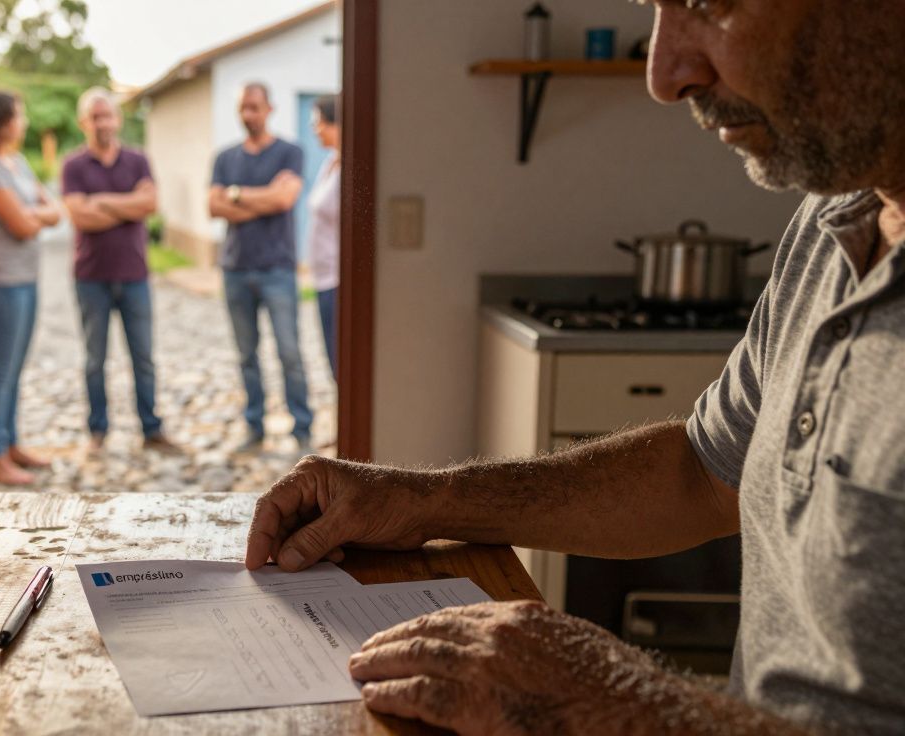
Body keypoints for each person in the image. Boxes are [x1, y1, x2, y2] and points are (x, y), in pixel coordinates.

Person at [246, 1, 905, 734]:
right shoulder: (833, 220)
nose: (664, 75)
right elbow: (700, 473)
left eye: (706, 4)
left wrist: (622, 707)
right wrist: (423, 501)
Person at [60, 88, 179, 454]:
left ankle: (152, 429)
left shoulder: (138, 160)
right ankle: (97, 430)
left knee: (143, 356)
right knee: (95, 360)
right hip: (91, 276)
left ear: (118, 119)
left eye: (108, 115)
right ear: (84, 123)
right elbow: (80, 215)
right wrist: (128, 205)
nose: (103, 123)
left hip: (134, 275)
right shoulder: (73, 165)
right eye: (95, 117)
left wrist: (103, 202)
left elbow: (150, 203)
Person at [209, 82, 311, 455]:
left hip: (277, 269)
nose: (248, 114)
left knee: (290, 352)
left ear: (270, 108)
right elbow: (213, 206)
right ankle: (255, 425)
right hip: (235, 269)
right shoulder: (225, 158)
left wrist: (235, 195)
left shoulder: (290, 152)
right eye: (243, 108)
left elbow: (285, 199)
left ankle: (302, 427)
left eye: (255, 107)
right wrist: (261, 197)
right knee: (246, 355)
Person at [0, 91, 61, 486]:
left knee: (16, 368)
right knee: (2, 370)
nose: (23, 123)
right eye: (19, 116)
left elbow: (54, 211)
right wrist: (35, 216)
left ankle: (11, 444)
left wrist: (33, 215)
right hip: (3, 281)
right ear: (3, 120)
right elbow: (21, 227)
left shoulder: (17, 163)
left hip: (27, 277)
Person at [306, 95, 341, 381]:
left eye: (318, 122)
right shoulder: (331, 163)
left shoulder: (353, 171)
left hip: (338, 281)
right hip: (323, 278)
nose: (315, 129)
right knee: (333, 362)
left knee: (341, 363)